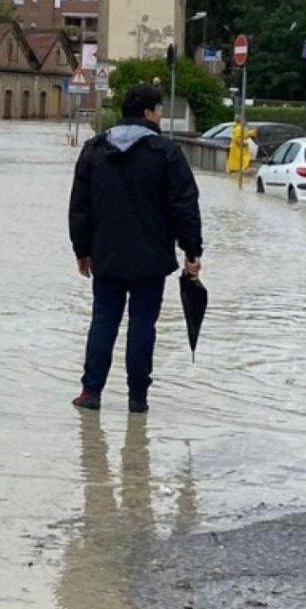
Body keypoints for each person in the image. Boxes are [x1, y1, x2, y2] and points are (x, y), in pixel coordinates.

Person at [67, 81, 204, 415]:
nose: (160, 117)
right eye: (159, 110)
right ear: (147, 113)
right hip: (151, 260)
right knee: (143, 326)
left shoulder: (94, 150)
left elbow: (79, 206)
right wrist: (192, 252)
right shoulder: (167, 153)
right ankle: (138, 399)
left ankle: (90, 392)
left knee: (103, 321)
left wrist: (82, 251)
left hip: (107, 257)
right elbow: (185, 205)